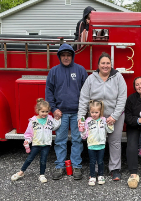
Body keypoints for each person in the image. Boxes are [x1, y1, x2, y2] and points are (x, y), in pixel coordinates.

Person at [78, 52, 127, 181]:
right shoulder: (91, 79)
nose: (105, 66)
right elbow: (83, 98)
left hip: (114, 116)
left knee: (115, 142)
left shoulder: (118, 77)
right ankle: (94, 170)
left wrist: (114, 116)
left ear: (111, 65)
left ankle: (114, 169)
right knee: (94, 142)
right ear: (98, 65)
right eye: (103, 63)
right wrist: (81, 118)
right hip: (95, 116)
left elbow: (122, 98)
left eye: (108, 63)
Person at [45, 43, 88, 180]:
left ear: (72, 56)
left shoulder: (81, 70)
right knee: (60, 140)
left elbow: (86, 92)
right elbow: (49, 92)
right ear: (59, 57)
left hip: (78, 113)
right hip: (60, 113)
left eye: (68, 55)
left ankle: (76, 166)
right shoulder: (53, 71)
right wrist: (54, 109)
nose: (66, 57)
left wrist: (84, 110)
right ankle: (60, 166)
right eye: (63, 55)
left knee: (77, 140)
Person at [11, 98, 61, 183]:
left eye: (46, 111)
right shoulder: (33, 121)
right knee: (29, 158)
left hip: (46, 144)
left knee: (43, 160)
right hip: (36, 144)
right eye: (42, 111)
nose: (45, 113)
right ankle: (21, 172)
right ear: (38, 111)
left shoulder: (50, 119)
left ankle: (42, 175)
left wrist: (57, 119)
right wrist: (27, 141)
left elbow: (54, 127)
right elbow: (29, 134)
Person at [80, 100, 114, 186]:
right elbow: (84, 136)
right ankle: (92, 176)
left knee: (100, 161)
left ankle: (101, 175)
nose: (94, 114)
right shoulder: (87, 121)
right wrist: (83, 130)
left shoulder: (103, 120)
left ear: (100, 111)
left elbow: (110, 130)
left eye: (96, 112)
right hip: (91, 145)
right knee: (92, 162)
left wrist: (110, 124)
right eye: (92, 112)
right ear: (89, 112)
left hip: (101, 145)